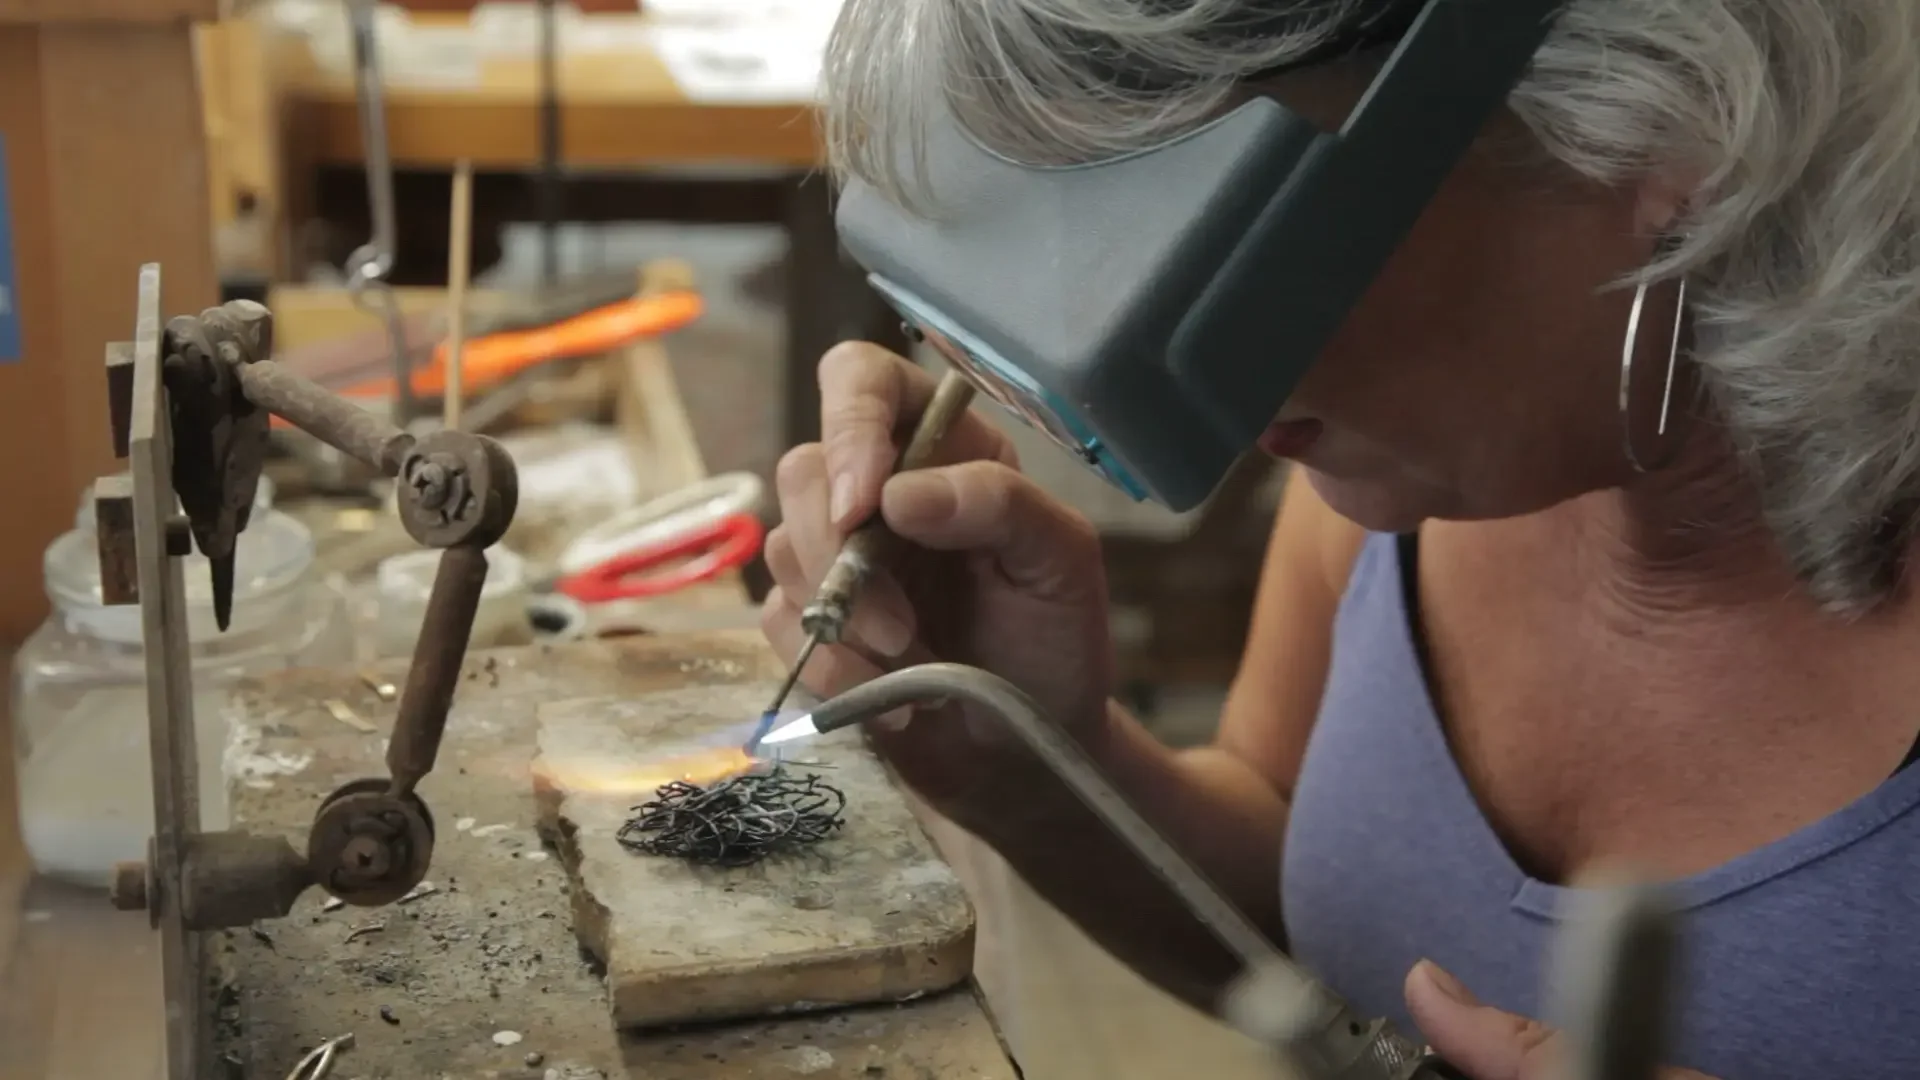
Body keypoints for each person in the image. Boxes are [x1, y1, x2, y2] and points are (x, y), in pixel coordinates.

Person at [760, 3, 1920, 1078]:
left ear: (1674, 118)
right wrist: (1030, 764)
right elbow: (1318, 902)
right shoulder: (1421, 459)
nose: (1179, 385)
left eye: (1219, 258)